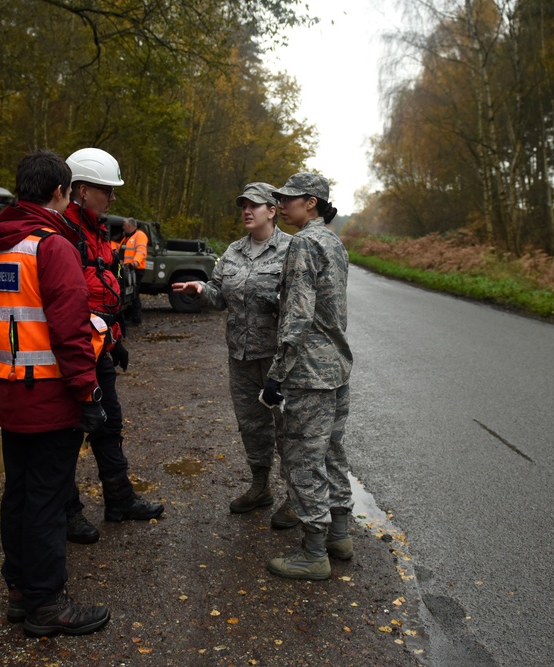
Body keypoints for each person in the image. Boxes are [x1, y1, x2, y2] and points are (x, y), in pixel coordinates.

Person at [0, 149, 110, 637]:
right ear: (59, 192)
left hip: (11, 395)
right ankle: (46, 604)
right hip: (52, 397)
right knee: (47, 500)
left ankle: (18, 589)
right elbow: (70, 329)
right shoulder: (51, 247)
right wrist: (88, 392)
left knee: (19, 494)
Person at [171, 183, 297, 527]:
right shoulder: (232, 252)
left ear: (272, 210)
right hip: (240, 357)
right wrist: (200, 291)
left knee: (286, 427)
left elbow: (299, 305)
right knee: (251, 425)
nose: (246, 210)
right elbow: (219, 297)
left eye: (254, 205)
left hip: (277, 360)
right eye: (243, 205)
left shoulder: (291, 250)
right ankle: (260, 486)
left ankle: (295, 496)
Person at [61, 147, 164, 544]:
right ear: (82, 190)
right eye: (107, 189)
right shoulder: (63, 234)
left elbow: (103, 293)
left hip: (99, 348)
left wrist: (115, 338)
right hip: (72, 354)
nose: (113, 198)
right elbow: (70, 301)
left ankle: (119, 500)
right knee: (70, 434)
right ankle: (68, 513)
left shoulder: (98, 230)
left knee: (110, 425)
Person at [258, 172, 354, 581]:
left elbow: (297, 315)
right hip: (335, 367)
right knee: (331, 450)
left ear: (311, 201)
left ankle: (314, 552)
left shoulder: (303, 242)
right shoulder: (333, 241)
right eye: (278, 198)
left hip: (309, 373)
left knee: (302, 459)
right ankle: (340, 535)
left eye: (289, 198)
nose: (281, 204)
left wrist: (275, 376)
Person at [120, 217, 148, 325]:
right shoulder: (127, 238)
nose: (123, 227)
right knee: (127, 293)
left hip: (135, 269)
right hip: (125, 269)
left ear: (129, 226)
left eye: (124, 225)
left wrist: (135, 263)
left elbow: (141, 251)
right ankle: (128, 315)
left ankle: (136, 318)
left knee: (134, 293)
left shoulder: (139, 236)